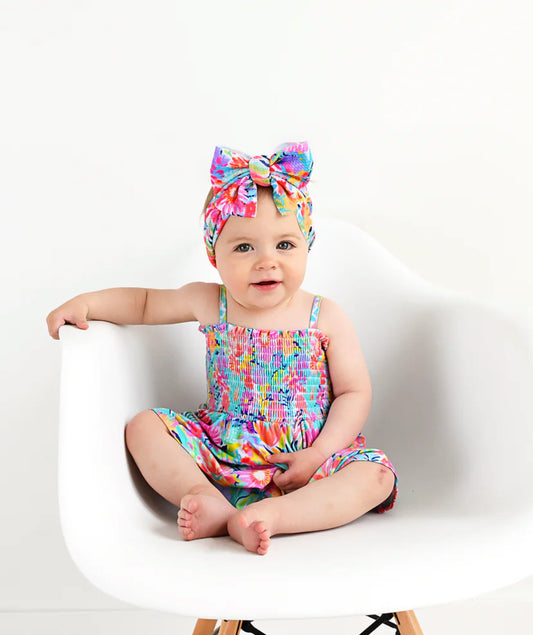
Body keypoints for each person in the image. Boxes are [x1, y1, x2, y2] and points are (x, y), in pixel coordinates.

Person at [46, 141, 398, 556]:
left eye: (284, 245)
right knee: (143, 427)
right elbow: (144, 303)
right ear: (215, 255)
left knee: (376, 477)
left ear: (307, 245)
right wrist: (88, 303)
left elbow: (354, 392)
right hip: (223, 450)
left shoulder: (324, 316)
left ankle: (275, 516)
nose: (266, 261)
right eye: (244, 247)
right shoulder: (211, 302)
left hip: (306, 457)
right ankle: (205, 498)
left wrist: (320, 452)